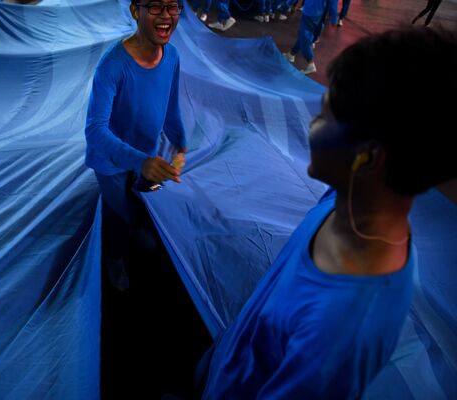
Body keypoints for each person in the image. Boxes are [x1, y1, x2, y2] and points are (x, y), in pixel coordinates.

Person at [197, 26, 457, 399]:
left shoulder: (343, 326)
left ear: (366, 157)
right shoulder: (349, 201)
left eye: (324, 118)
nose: (311, 125)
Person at [85, 0, 187, 290]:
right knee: (117, 213)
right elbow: (95, 131)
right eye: (155, 6)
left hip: (147, 154)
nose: (166, 15)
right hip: (110, 161)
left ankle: (138, 226)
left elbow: (169, 106)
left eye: (173, 6)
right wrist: (139, 161)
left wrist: (180, 143)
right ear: (135, 11)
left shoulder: (173, 57)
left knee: (143, 197)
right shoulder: (113, 66)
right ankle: (114, 258)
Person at [284, 0, 328, 74]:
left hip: (309, 12)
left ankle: (310, 64)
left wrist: (289, 3)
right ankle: (292, 54)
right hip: (319, 12)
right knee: (302, 33)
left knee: (305, 37)